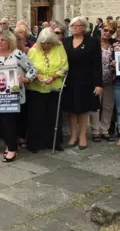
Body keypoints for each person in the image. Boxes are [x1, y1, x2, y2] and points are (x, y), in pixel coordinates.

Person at [0, 30, 36, 161]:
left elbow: (32, 69)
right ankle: (9, 144)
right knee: (1, 122)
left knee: (9, 121)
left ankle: (12, 149)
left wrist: (26, 79)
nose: (0, 42)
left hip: (14, 95)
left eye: (3, 40)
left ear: (10, 41)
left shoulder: (18, 54)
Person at [63, 16, 102, 150]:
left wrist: (98, 83)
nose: (74, 27)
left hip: (86, 80)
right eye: (72, 25)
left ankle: (83, 136)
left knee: (83, 109)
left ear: (84, 28)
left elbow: (97, 64)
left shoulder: (92, 42)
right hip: (70, 80)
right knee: (72, 110)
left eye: (77, 25)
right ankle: (73, 135)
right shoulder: (65, 41)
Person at [27, 28, 69, 152]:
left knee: (53, 116)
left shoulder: (59, 48)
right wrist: (37, 76)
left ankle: (53, 142)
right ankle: (35, 143)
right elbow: (28, 66)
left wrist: (54, 76)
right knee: (37, 116)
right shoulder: (33, 50)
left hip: (54, 87)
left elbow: (65, 66)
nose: (46, 45)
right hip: (36, 88)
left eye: (49, 43)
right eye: (44, 43)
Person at [90, 21, 117, 142]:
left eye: (111, 32)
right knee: (95, 106)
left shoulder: (114, 44)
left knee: (108, 106)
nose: (107, 33)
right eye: (105, 30)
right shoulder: (93, 42)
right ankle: (95, 131)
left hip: (110, 79)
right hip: (95, 80)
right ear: (101, 29)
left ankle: (104, 130)